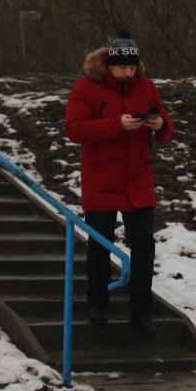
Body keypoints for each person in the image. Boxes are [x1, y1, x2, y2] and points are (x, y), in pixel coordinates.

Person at [63, 30, 174, 335]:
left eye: (132, 67)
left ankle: (141, 311)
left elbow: (166, 127)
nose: (128, 73)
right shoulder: (86, 87)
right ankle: (97, 305)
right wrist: (117, 125)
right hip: (101, 179)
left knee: (144, 245)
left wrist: (160, 123)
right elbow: (74, 129)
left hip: (138, 179)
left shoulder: (146, 86)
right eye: (123, 67)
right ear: (109, 65)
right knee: (100, 245)